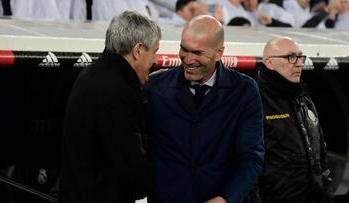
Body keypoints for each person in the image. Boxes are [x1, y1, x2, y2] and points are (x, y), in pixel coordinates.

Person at [145, 15, 264, 203]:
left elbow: (251, 158)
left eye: (198, 53)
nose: (188, 59)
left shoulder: (244, 91)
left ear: (219, 53)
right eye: (184, 49)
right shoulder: (155, 86)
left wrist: (225, 199)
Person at [59, 11, 161, 203]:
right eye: (155, 50)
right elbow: (131, 169)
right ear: (138, 50)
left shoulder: (92, 74)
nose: (156, 60)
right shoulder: (117, 92)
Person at [257, 37, 334, 203]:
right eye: (290, 57)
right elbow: (245, 166)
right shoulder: (254, 101)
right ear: (269, 63)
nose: (298, 63)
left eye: (300, 57)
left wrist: (327, 196)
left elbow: (320, 157)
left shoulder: (304, 98)